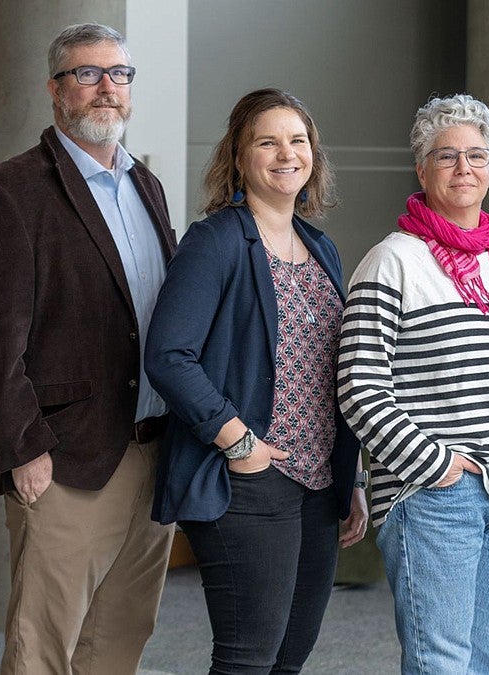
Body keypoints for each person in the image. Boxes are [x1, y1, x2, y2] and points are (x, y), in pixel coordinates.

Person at [0, 22, 176, 674]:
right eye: (87, 73)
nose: (106, 87)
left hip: (151, 449)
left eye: (119, 74)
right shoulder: (9, 193)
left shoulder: (147, 185)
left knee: (119, 642)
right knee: (42, 651)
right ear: (56, 90)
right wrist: (22, 447)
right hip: (64, 460)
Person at [145, 88, 368, 674]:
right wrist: (237, 441)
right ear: (239, 157)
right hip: (247, 478)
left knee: (290, 656)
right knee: (248, 658)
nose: (285, 154)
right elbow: (169, 355)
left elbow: (334, 371)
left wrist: (355, 479)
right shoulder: (216, 241)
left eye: (298, 140)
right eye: (266, 141)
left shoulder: (321, 248)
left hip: (319, 484)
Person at [336, 94, 489, 674]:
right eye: (447, 156)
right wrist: (436, 465)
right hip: (435, 496)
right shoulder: (392, 261)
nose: (464, 169)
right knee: (441, 665)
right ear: (421, 168)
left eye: (477, 156)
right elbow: (358, 386)